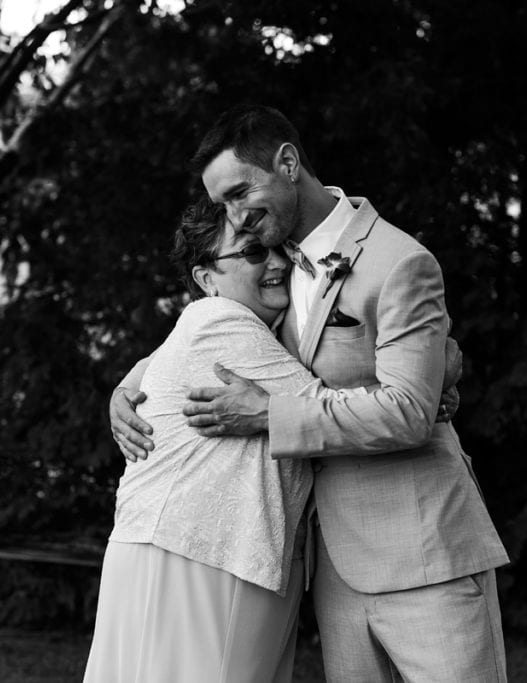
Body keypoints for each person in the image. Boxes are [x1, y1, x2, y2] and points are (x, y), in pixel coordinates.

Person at [111, 104, 510, 682]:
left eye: (241, 191)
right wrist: (131, 381)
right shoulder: (277, 271)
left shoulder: (399, 262)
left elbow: (407, 409)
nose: (236, 216)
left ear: (289, 163)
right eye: (223, 203)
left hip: (423, 550)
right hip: (331, 570)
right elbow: (222, 333)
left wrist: (272, 414)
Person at [86, 198, 367, 682]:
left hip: (184, 551)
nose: (277, 262)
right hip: (197, 559)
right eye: (253, 253)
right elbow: (334, 411)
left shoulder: (232, 327)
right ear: (206, 279)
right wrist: (425, 380)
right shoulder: (222, 323)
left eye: (279, 248)